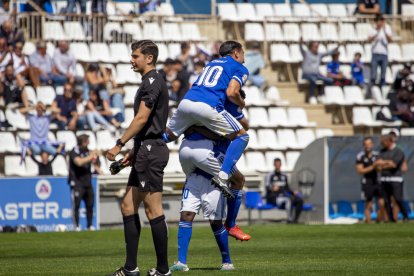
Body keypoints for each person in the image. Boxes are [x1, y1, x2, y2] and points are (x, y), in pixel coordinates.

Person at [106, 40, 170, 276]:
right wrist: (134, 151)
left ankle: (163, 269)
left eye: (135, 56)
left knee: (153, 210)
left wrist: (119, 144)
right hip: (145, 149)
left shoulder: (152, 82)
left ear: (149, 58)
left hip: (151, 151)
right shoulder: (149, 81)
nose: (132, 60)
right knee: (127, 206)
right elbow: (148, 123)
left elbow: (142, 119)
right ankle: (131, 268)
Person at [170, 95, 251, 272]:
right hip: (195, 173)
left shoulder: (229, 115)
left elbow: (241, 131)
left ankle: (227, 261)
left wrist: (200, 129)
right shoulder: (212, 110)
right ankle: (181, 262)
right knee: (186, 215)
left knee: (215, 222)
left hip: (214, 168)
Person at [164, 40, 250, 198]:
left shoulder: (210, 64)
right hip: (208, 106)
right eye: (243, 52)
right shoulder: (239, 67)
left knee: (166, 136)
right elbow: (231, 93)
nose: (244, 55)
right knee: (242, 136)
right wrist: (241, 102)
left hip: (186, 102)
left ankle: (137, 150)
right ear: (236, 52)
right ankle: (223, 177)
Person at [69, 134, 98, 231]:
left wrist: (96, 157)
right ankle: (76, 226)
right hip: (77, 183)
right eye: (87, 140)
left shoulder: (87, 151)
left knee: (90, 206)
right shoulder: (74, 151)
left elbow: (93, 160)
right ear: (83, 141)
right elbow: (79, 162)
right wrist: (92, 156)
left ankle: (89, 226)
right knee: (76, 206)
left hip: (88, 182)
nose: (89, 142)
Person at [376, 134, 409, 222]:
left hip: (395, 179)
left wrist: (382, 163)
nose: (382, 143)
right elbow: (377, 164)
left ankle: (405, 215)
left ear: (389, 141)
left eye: (384, 141)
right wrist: (387, 163)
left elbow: (394, 165)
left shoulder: (398, 152)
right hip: (384, 179)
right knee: (386, 201)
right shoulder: (382, 151)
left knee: (398, 199)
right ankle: (391, 219)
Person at [355, 137, 387, 223]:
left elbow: (379, 169)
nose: (367, 146)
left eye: (369, 144)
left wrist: (379, 166)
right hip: (367, 182)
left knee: (382, 204)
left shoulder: (377, 155)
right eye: (366, 144)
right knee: (368, 204)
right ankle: (368, 222)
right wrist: (373, 166)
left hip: (377, 181)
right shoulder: (360, 156)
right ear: (363, 145)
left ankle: (378, 220)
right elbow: (360, 170)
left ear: (372, 145)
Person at [300, 38, 338, 104]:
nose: (316, 48)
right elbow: (301, 49)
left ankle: (321, 94)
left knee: (330, 81)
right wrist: (300, 43)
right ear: (311, 47)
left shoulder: (319, 55)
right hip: (307, 74)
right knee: (313, 79)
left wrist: (338, 46)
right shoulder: (306, 53)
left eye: (317, 46)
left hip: (317, 74)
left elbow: (329, 53)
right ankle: (311, 96)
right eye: (315, 46)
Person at [266, 158, 303, 223]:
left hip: (284, 195)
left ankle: (295, 220)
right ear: (274, 165)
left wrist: (293, 192)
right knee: (289, 199)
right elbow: (267, 187)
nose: (277, 166)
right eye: (276, 164)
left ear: (281, 165)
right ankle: (290, 220)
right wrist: (272, 188)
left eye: (279, 164)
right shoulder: (270, 175)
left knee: (299, 200)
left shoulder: (284, 175)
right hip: (275, 197)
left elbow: (287, 188)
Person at [368, 14, 392, 97]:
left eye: (381, 21)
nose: (379, 22)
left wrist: (384, 31)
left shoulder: (387, 28)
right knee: (373, 75)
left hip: (384, 54)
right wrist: (377, 32)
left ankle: (383, 93)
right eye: (378, 21)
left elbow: (390, 40)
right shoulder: (373, 29)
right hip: (375, 53)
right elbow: (369, 39)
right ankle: (371, 93)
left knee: (383, 75)